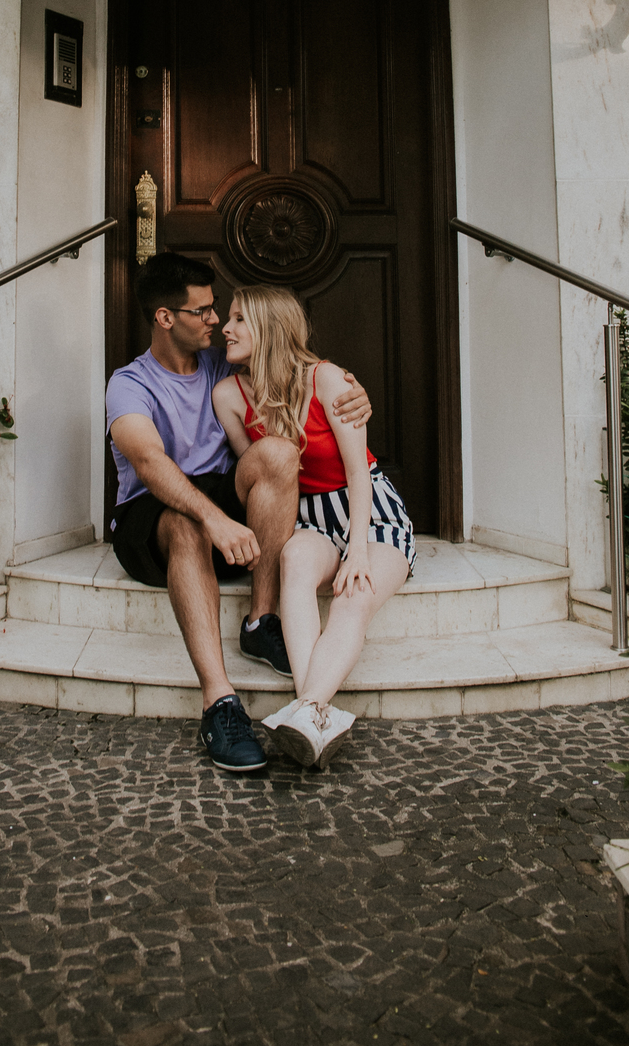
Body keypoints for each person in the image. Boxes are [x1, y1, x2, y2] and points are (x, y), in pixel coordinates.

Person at [106, 252, 371, 774]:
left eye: (217, 309)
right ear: (165, 318)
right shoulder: (129, 384)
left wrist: (354, 393)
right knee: (185, 523)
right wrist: (214, 519)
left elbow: (296, 369)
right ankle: (219, 702)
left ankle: (260, 618)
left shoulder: (220, 364)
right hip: (149, 518)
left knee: (276, 452)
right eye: (202, 311)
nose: (215, 320)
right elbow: (149, 462)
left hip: (228, 517)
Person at [211, 285, 416, 770]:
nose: (226, 327)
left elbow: (357, 474)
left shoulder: (329, 380)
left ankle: (306, 711)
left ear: (269, 328)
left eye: (239, 319)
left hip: (368, 513)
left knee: (353, 596)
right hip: (308, 517)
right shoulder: (229, 396)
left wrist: (359, 551)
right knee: (295, 561)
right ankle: (314, 713)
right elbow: (261, 474)